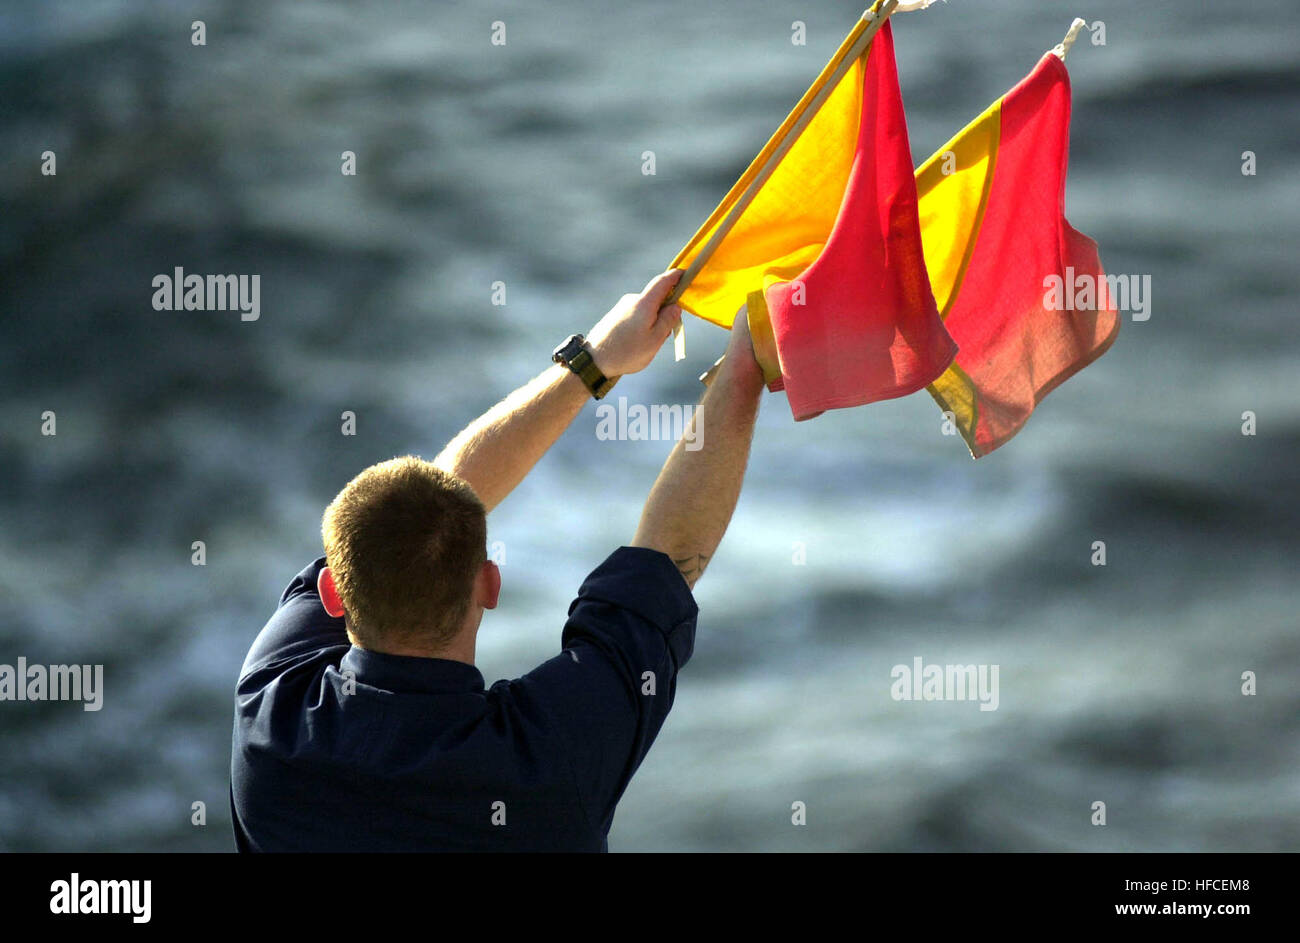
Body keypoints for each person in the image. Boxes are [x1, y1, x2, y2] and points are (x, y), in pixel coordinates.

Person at [230, 269, 765, 851]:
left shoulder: (270, 714)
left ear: (334, 592)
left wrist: (735, 373)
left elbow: (663, 560)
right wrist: (734, 364)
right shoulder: (546, 761)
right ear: (489, 583)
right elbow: (662, 562)